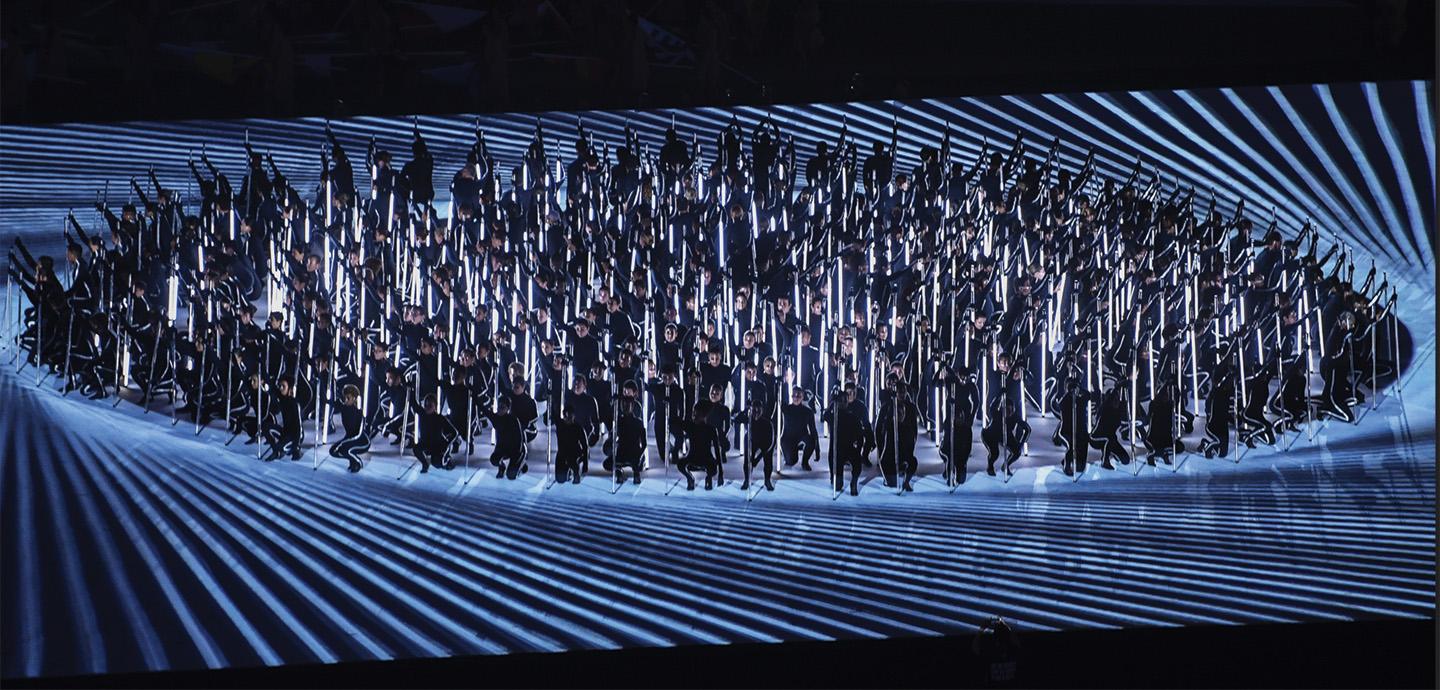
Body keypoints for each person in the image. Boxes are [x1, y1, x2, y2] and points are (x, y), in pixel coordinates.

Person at [328, 384, 370, 473]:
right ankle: (353, 461)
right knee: (333, 451)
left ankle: (357, 462)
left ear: (354, 398)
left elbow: (359, 434)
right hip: (348, 438)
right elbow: (329, 400)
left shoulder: (359, 412)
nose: (345, 400)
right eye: (344, 397)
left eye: (348, 397)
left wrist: (345, 443)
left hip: (361, 441)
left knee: (344, 448)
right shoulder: (344, 408)